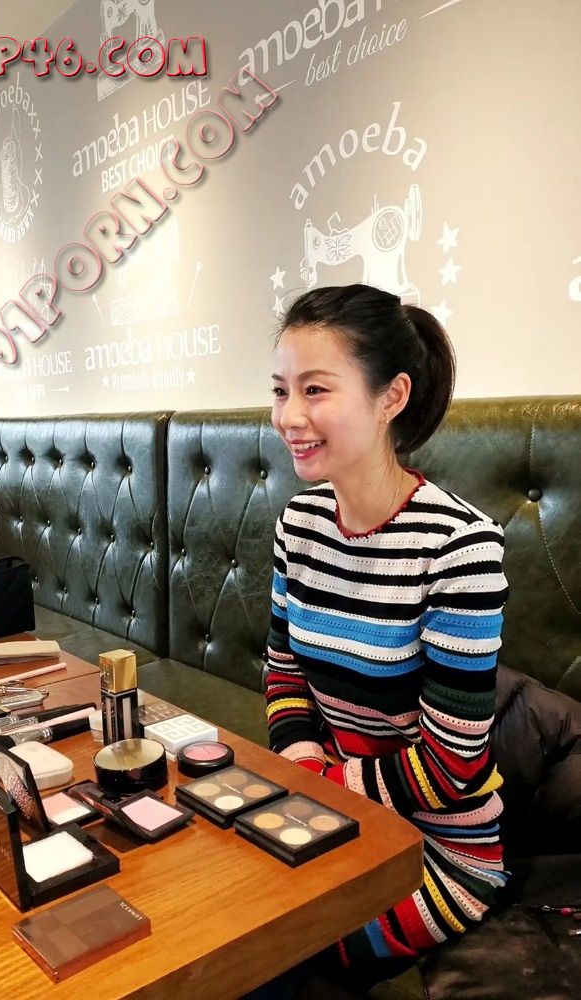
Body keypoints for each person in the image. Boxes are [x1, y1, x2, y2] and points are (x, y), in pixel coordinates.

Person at [263, 283, 509, 993]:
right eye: (280, 390)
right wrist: (303, 762)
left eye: (315, 389)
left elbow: (452, 768)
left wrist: (316, 786)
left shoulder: (460, 548)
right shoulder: (299, 525)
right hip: (327, 816)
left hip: (437, 851)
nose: (289, 416)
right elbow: (283, 673)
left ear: (391, 397)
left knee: (274, 956)